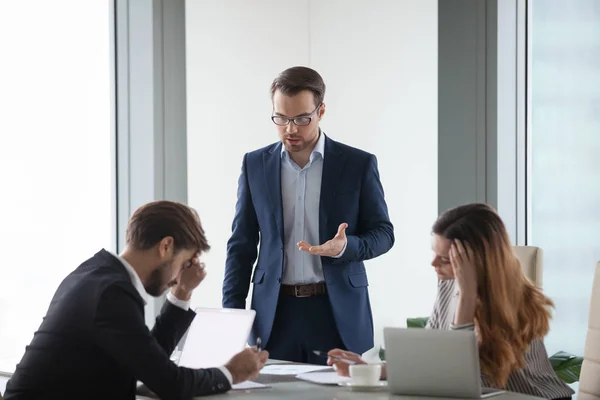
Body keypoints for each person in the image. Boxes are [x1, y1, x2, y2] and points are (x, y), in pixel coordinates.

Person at [5, 201, 268, 400]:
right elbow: (169, 383)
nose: (179, 276)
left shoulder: (95, 274)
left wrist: (182, 293)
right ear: (166, 247)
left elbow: (148, 363)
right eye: (184, 262)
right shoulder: (111, 293)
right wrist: (231, 371)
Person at [222, 66, 395, 364]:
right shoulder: (254, 165)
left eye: (302, 119)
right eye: (281, 118)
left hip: (335, 311)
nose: (291, 129)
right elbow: (241, 245)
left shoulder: (357, 164)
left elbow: (383, 233)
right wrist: (232, 317)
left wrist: (346, 247)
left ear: (321, 110)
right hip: (274, 313)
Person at [328, 203, 574, 399]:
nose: (434, 264)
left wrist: (467, 296)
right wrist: (370, 370)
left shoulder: (513, 301)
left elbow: (468, 379)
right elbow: (436, 362)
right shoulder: (448, 285)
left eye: (446, 259)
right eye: (435, 252)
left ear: (477, 260)